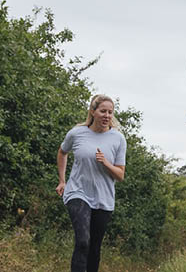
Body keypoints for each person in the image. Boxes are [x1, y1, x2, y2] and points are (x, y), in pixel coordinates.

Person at [56, 94, 127, 272]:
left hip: (104, 198)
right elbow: (62, 152)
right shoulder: (76, 133)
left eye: (110, 112)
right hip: (77, 192)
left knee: (94, 247)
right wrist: (62, 180)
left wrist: (106, 163)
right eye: (103, 111)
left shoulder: (118, 139)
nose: (107, 116)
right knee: (82, 241)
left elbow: (120, 175)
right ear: (92, 111)